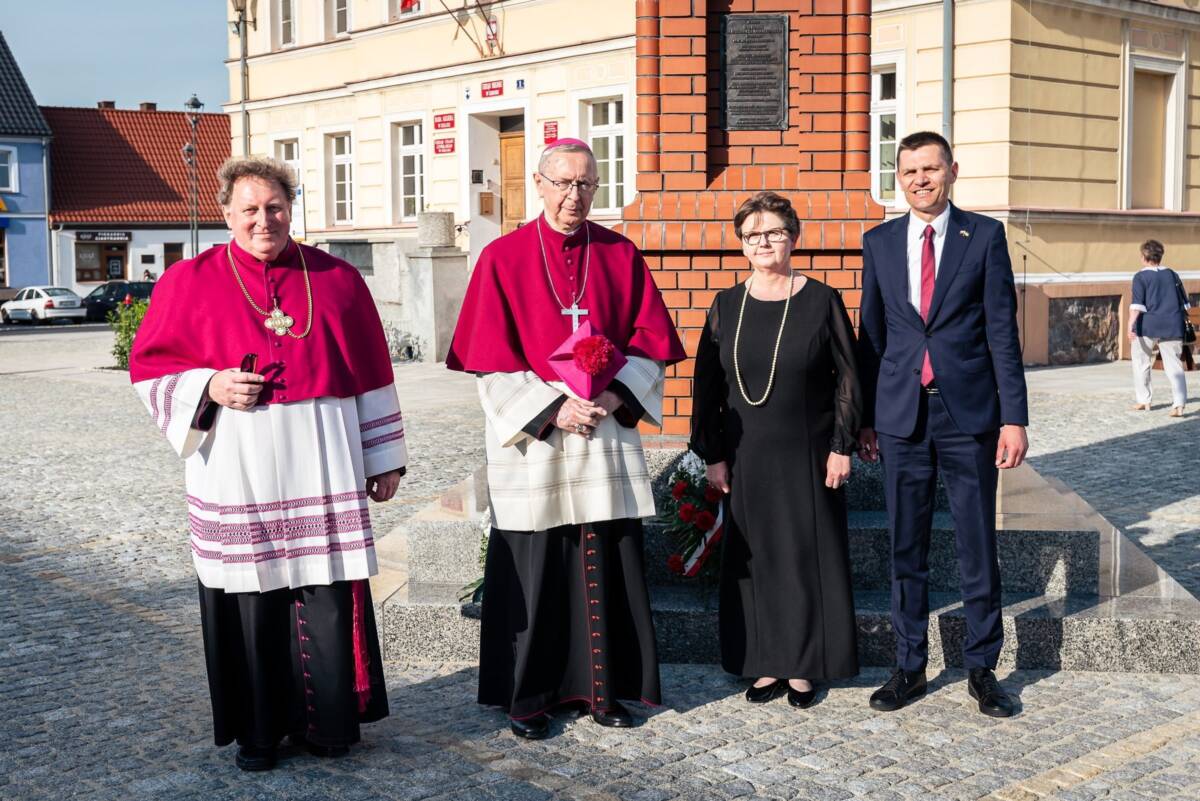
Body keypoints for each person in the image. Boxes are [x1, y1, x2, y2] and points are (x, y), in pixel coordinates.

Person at [129, 156, 406, 770]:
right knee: (250, 595)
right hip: (238, 464)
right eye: (250, 209)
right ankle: (258, 733)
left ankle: (329, 724)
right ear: (226, 214)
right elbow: (149, 371)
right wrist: (210, 385)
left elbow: (372, 371)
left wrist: (384, 457)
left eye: (275, 207)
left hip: (323, 457)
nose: (264, 220)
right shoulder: (187, 281)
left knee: (323, 590)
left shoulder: (337, 279)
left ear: (291, 208)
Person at [447, 138, 686, 740]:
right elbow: (488, 361)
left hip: (603, 426)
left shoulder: (619, 254)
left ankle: (604, 692)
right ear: (539, 184)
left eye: (585, 184)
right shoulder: (501, 258)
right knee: (538, 565)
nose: (574, 196)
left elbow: (650, 343)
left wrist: (614, 397)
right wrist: (555, 408)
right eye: (562, 183)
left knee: (601, 554)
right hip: (540, 437)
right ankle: (528, 697)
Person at [857, 131, 1029, 718]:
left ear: (952, 171)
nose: (920, 180)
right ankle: (909, 666)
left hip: (968, 415)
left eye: (930, 169)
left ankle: (982, 668)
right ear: (898, 178)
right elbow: (871, 335)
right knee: (906, 546)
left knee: (976, 544)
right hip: (901, 416)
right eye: (909, 171)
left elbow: (1002, 330)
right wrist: (866, 419)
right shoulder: (879, 242)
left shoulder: (983, 236)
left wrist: (1013, 417)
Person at [689, 191, 861, 707]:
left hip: (809, 452)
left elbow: (848, 377)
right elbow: (707, 386)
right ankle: (763, 660)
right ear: (741, 243)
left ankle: (805, 665)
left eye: (774, 232)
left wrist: (842, 445)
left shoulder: (821, 299)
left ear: (794, 237)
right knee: (756, 557)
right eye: (752, 235)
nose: (763, 242)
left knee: (803, 556)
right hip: (746, 455)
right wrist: (713, 454)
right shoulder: (726, 305)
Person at [1129, 239, 1190, 417]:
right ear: (1160, 256)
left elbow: (1137, 306)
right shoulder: (1172, 274)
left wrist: (1130, 325)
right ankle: (1179, 405)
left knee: (1141, 362)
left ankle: (1144, 400)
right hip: (1172, 324)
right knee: (1174, 366)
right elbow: (1185, 304)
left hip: (1147, 325)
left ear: (1143, 257)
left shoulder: (1140, 277)